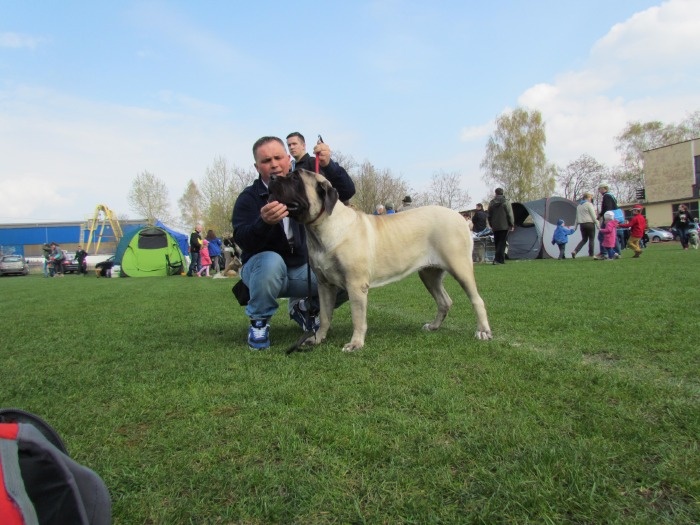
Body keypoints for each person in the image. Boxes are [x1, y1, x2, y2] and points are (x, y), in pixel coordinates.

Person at [232, 136, 355, 350]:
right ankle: (259, 323)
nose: (273, 164)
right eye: (266, 160)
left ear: (288, 159)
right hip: (263, 272)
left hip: (301, 271)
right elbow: (242, 239)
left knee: (346, 273)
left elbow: (345, 192)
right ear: (256, 166)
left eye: (278, 157)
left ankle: (305, 308)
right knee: (271, 261)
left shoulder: (304, 186)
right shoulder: (248, 198)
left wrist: (329, 165)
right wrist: (264, 223)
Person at [487, 188, 514, 265]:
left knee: (497, 243)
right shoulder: (506, 202)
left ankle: (501, 260)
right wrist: (511, 224)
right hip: (504, 226)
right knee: (502, 243)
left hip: (495, 226)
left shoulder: (491, 203)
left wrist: (491, 224)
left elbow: (489, 215)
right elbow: (509, 214)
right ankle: (497, 259)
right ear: (502, 193)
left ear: (495, 193)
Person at [596, 182, 620, 257]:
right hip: (613, 218)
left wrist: (601, 215)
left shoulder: (606, 196)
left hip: (608, 218)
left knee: (601, 235)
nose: (599, 191)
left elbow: (607, 208)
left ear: (604, 188)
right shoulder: (611, 196)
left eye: (600, 189)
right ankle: (616, 252)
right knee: (613, 235)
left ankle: (604, 253)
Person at [571, 192, 597, 258]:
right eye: (590, 198)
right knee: (591, 239)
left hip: (582, 225)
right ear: (588, 198)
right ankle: (591, 254)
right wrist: (597, 223)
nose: (591, 199)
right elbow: (593, 215)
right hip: (590, 223)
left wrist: (575, 227)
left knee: (584, 239)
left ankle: (575, 251)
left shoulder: (579, 206)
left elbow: (577, 217)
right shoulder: (589, 204)